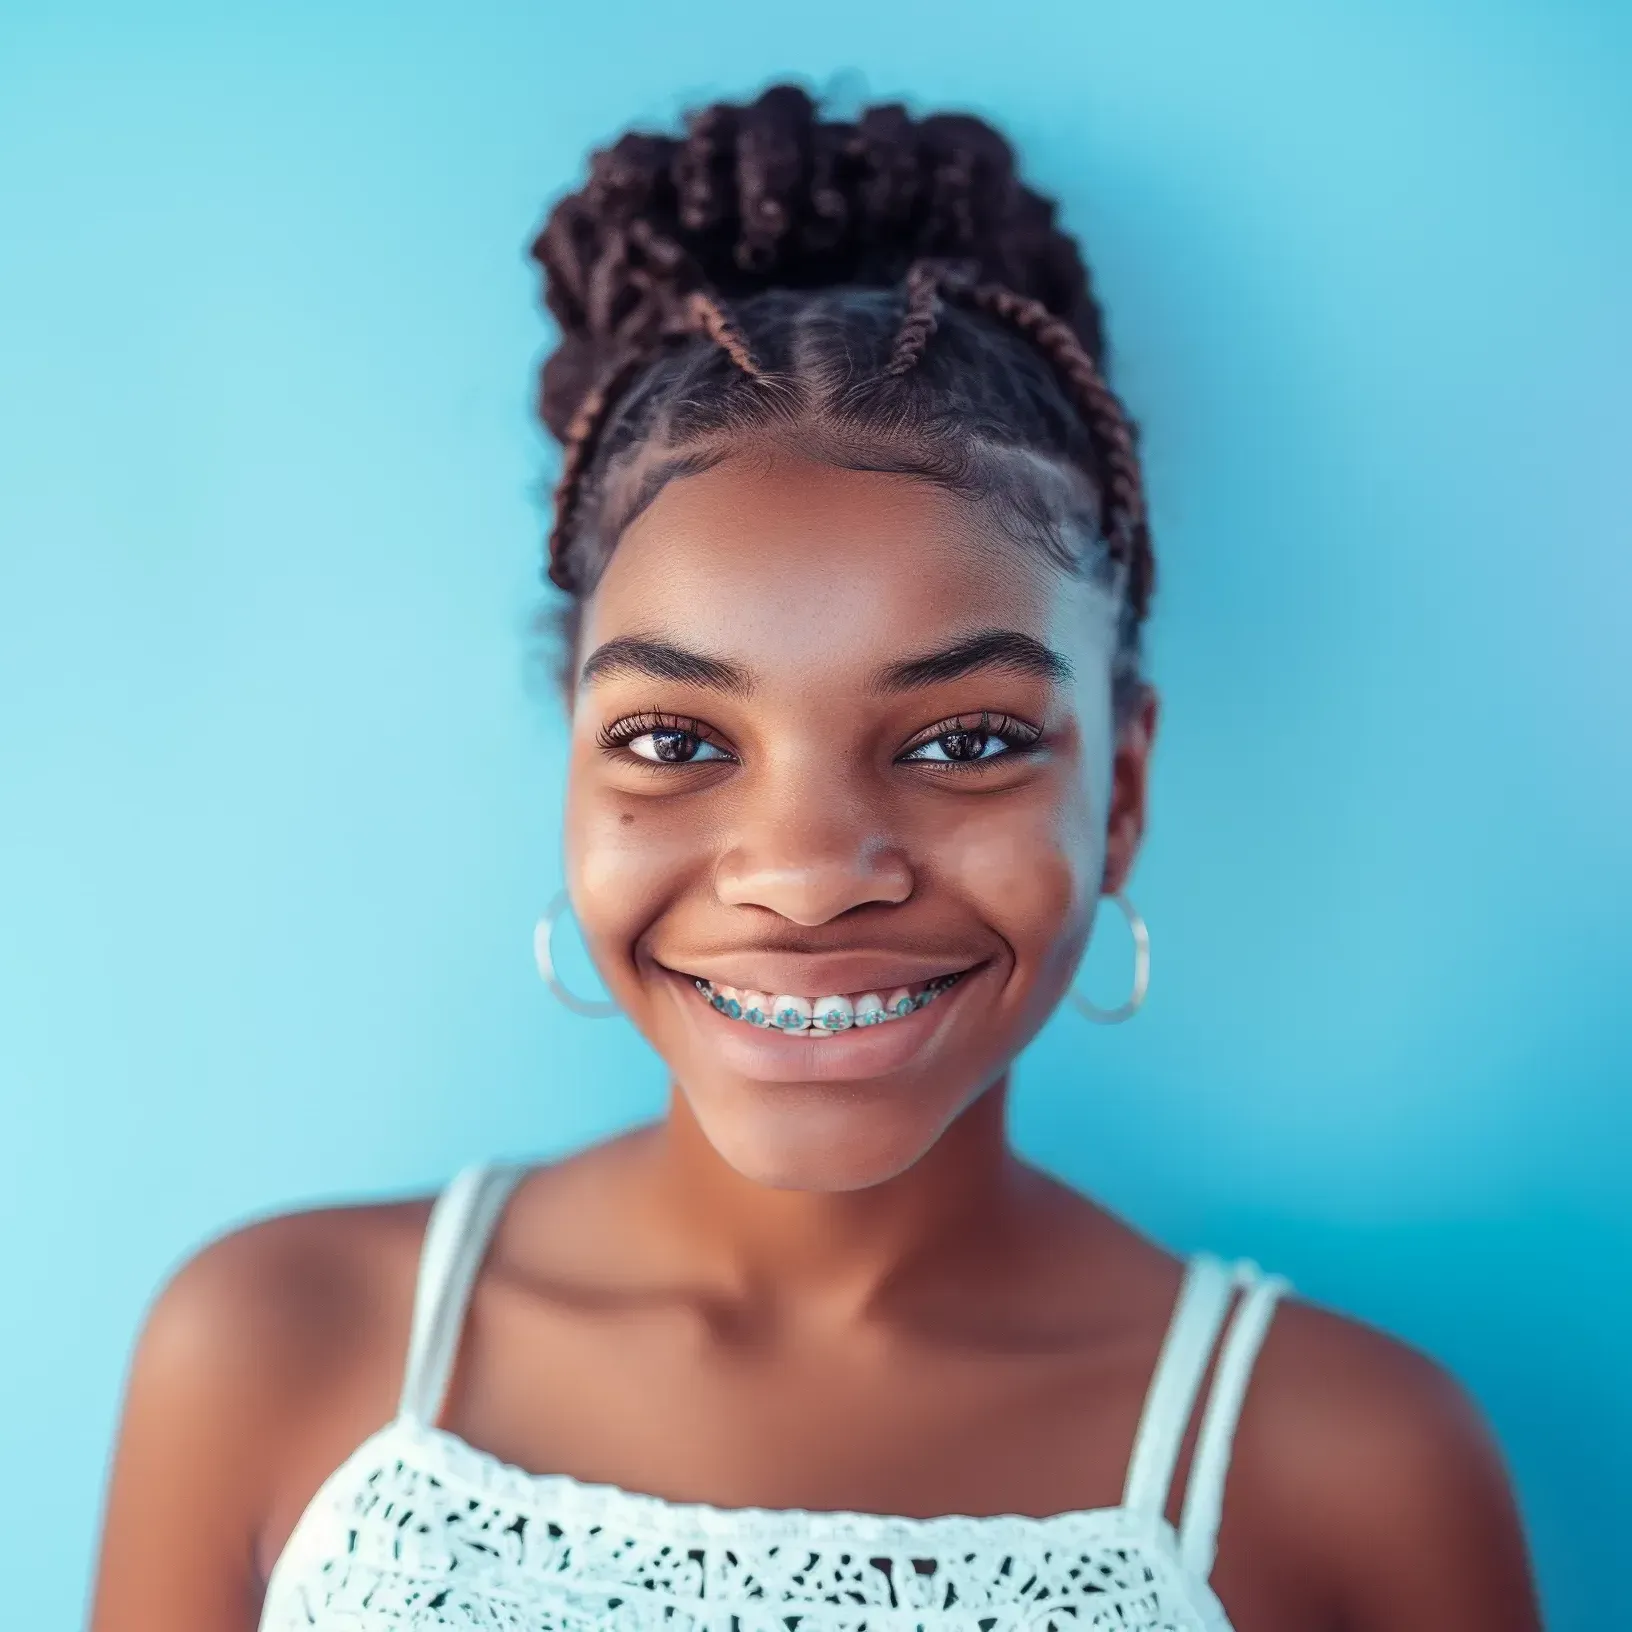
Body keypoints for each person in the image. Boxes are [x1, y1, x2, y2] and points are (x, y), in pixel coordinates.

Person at [90, 84, 1543, 1632]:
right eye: (675, 741)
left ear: (1120, 793)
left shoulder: (1355, 1470)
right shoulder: (270, 1349)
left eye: (966, 742)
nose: (803, 875)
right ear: (572, 766)